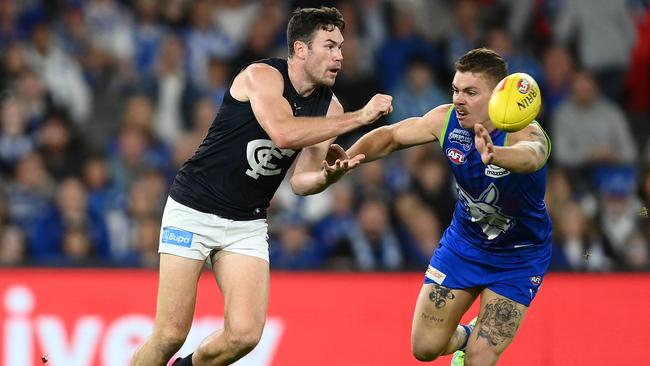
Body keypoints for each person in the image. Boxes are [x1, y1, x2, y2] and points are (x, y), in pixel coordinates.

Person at [130, 7, 392, 366]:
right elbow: (283, 133)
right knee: (170, 334)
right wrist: (360, 118)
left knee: (244, 335)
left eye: (341, 47)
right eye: (330, 46)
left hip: (246, 222)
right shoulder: (261, 76)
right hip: (193, 208)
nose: (340, 56)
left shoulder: (330, 107)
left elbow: (301, 181)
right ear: (301, 49)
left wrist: (326, 177)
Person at [347, 47, 551, 366]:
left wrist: (497, 155)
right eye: (456, 89)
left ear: (498, 94)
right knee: (424, 348)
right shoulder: (446, 121)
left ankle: (473, 347)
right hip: (464, 245)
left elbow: (533, 154)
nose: (459, 99)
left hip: (520, 256)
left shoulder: (523, 130)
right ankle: (468, 336)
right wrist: (348, 158)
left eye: (470, 92)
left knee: (477, 361)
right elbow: (391, 137)